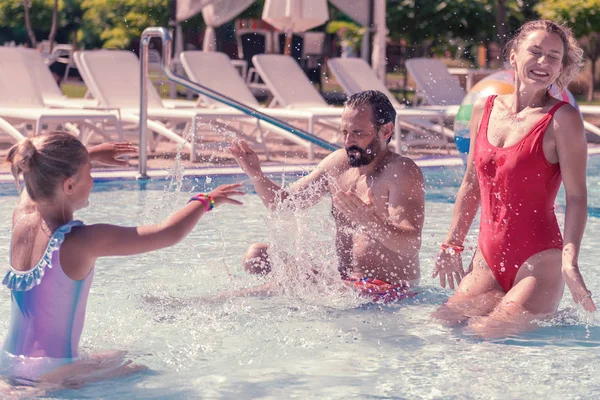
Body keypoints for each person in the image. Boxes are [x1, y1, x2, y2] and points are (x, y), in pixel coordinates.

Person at [2, 133, 244, 390]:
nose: (93, 180)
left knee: (117, 354)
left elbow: (41, 175)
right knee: (144, 369)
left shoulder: (21, 219)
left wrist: (88, 155)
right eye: (90, 172)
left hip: (7, 362)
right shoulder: (83, 241)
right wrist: (206, 200)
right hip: (51, 376)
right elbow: (167, 233)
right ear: (69, 185)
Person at [432, 20, 596, 337]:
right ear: (514, 56)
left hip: (539, 264)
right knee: (443, 327)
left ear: (561, 66)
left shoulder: (563, 119)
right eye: (535, 52)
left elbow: (577, 197)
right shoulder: (484, 108)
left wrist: (569, 263)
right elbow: (470, 184)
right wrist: (452, 244)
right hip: (488, 261)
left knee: (484, 335)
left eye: (553, 56)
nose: (543, 63)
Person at [229, 90, 425, 302]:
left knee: (275, 291)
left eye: (358, 133)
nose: (349, 141)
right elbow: (284, 205)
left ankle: (211, 305)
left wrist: (370, 221)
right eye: (345, 132)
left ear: (386, 131)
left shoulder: (400, 171)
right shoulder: (338, 164)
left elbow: (411, 244)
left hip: (388, 290)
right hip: (343, 283)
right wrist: (257, 175)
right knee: (256, 256)